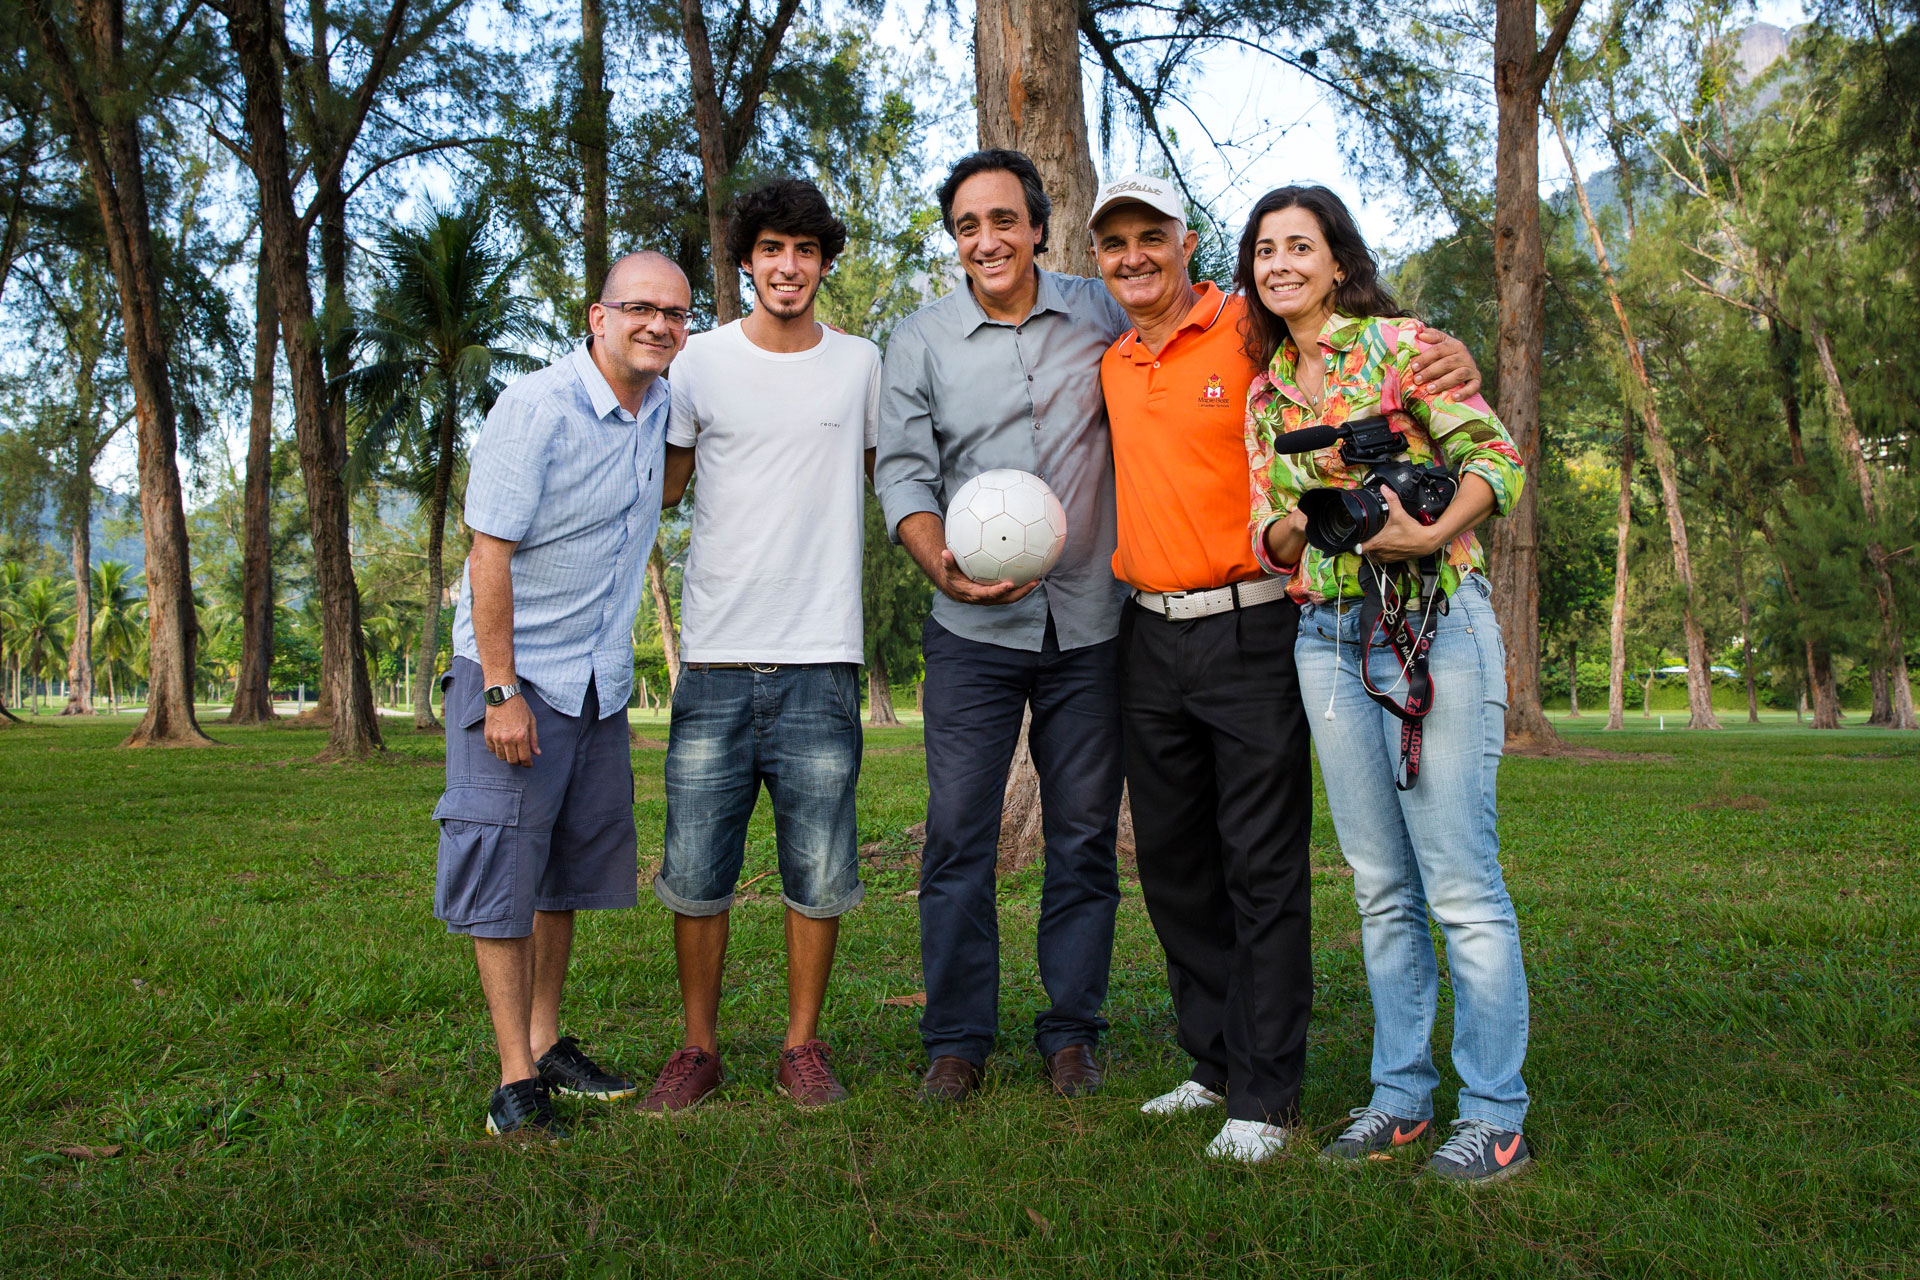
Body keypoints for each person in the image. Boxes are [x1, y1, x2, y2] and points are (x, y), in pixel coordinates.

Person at [1089, 175, 1480, 1162]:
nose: (1133, 255)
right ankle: (1214, 1059)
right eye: (1114, 243)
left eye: (1152, 236)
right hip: (1149, 629)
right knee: (1176, 866)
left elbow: (1367, 356)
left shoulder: (1247, 330)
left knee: (1261, 861)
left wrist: (1449, 355)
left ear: (1189, 244)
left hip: (1255, 623)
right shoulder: (1113, 359)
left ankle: (1266, 1095)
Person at [1243, 185, 1533, 1184]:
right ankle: (1401, 1097)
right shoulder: (1266, 394)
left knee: (1459, 881)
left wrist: (1432, 525)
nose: (1281, 262)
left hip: (1433, 619)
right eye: (1265, 249)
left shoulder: (1406, 348)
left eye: (1300, 245)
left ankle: (1496, 1113)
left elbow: (1498, 457)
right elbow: (1268, 532)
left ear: (1335, 261)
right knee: (1379, 884)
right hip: (1325, 634)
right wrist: (1307, 517)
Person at [874, 149, 1132, 1103]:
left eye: (1003, 221)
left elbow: (1203, 328)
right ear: (956, 241)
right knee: (957, 839)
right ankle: (956, 1041)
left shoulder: (1102, 310)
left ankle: (1072, 1034)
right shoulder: (921, 339)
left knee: (1081, 838)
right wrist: (934, 553)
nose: (986, 240)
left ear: (1036, 227)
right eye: (966, 227)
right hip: (971, 632)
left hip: (1092, 624)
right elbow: (901, 469)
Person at [432, 251, 691, 1138]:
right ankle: (514, 1083)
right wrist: (501, 691)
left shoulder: (658, 410)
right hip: (518, 679)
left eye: (676, 314)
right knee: (504, 870)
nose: (659, 324)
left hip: (596, 687)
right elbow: (487, 553)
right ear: (597, 316)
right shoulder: (536, 408)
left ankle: (546, 1042)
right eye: (640, 308)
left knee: (560, 877)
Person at [638, 179, 879, 1114]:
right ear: (746, 259)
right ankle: (697, 1049)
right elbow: (660, 488)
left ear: (824, 262)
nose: (789, 267)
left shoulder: (861, 363)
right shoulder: (696, 362)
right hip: (716, 660)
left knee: (817, 870)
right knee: (697, 868)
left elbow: (890, 478)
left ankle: (801, 1046)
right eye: (772, 248)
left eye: (806, 251)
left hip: (823, 655)